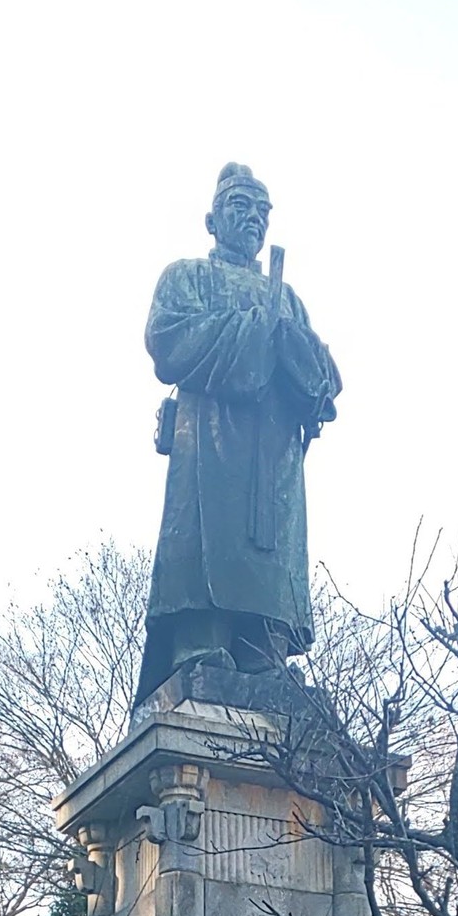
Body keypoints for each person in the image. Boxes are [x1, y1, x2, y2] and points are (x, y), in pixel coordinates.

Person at [134, 163, 341, 708]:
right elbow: (169, 340)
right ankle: (200, 644)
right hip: (208, 436)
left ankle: (262, 649)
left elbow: (321, 375)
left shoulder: (287, 297)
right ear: (212, 218)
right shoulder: (187, 277)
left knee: (270, 551)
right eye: (240, 207)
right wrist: (252, 332)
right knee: (208, 531)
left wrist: (292, 347)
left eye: (262, 212)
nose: (253, 219)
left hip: (272, 451)